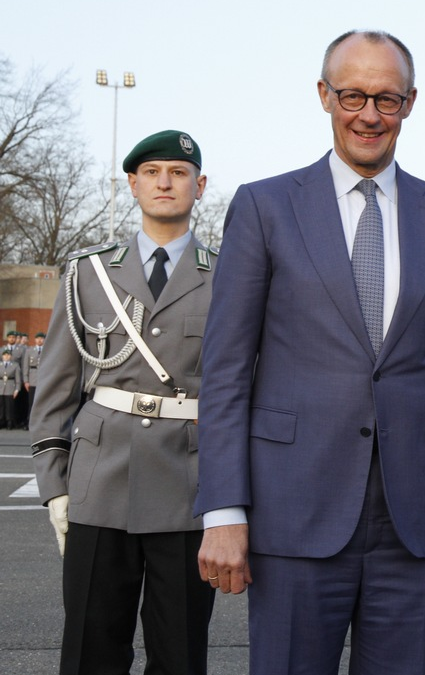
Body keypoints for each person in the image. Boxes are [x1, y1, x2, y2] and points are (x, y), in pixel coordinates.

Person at [194, 29, 425, 675]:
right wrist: (223, 509)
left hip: (416, 520)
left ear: (410, 103)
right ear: (324, 95)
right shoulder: (265, 207)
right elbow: (224, 371)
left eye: (385, 99)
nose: (369, 114)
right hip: (292, 511)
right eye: (353, 95)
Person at [29, 130, 216, 675]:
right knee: (91, 648)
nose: (165, 182)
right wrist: (54, 485)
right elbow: (58, 387)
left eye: (179, 173)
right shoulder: (88, 272)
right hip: (99, 482)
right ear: (131, 184)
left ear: (199, 186)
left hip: (190, 488)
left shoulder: (228, 275)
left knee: (179, 652)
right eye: (152, 172)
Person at [23, 331, 44, 413]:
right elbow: (26, 366)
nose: (39, 340)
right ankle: (29, 420)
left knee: (41, 401)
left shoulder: (46, 350)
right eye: (38, 339)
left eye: (41, 339)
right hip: (32, 379)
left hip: (43, 379)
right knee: (31, 401)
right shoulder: (29, 350)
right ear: (35, 340)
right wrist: (26, 381)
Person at [0, 350, 20, 428]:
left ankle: (9, 421)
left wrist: (17, 389)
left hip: (10, 386)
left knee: (9, 406)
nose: (6, 357)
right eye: (4, 355)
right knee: (1, 405)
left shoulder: (15, 365)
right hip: (0, 386)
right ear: (2, 356)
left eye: (8, 355)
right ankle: (1, 420)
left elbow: (18, 378)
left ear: (10, 356)